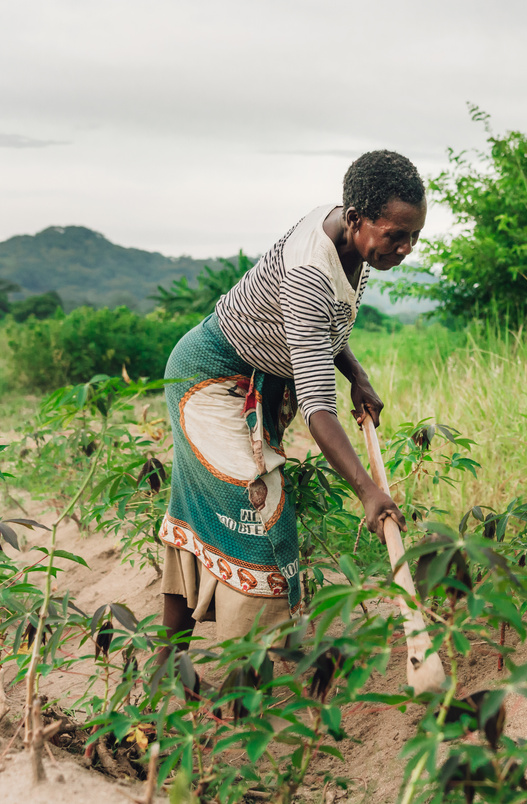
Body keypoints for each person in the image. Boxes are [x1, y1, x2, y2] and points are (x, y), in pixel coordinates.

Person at [154, 150, 423, 659]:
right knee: (260, 508)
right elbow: (320, 409)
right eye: (395, 236)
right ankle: (247, 674)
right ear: (356, 218)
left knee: (197, 514)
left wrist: (358, 375)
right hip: (209, 380)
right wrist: (368, 492)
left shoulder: (351, 239)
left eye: (414, 236)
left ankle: (169, 665)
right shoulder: (309, 273)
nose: (405, 248)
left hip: (260, 382)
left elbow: (326, 327)